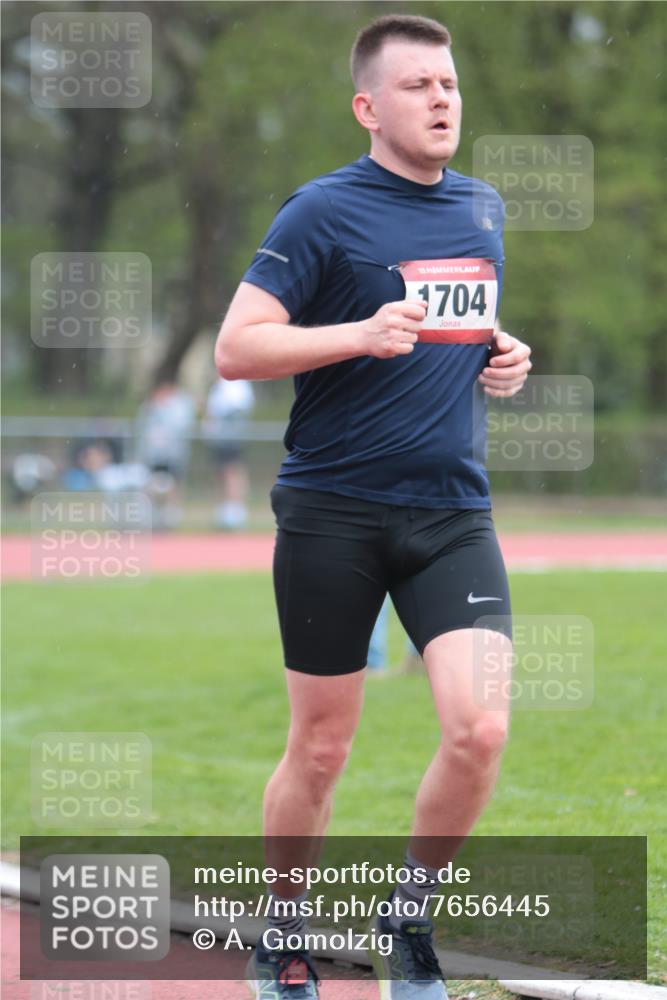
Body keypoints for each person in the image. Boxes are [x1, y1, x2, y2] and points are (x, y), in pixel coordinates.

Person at [215, 14, 531, 999]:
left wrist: (502, 355)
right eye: (417, 86)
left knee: (478, 729)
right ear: (367, 106)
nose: (441, 99)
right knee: (320, 746)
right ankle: (284, 931)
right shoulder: (319, 211)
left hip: (449, 516)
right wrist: (354, 332)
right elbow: (239, 346)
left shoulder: (481, 209)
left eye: (448, 83)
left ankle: (406, 923)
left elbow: (457, 322)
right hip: (332, 513)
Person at [135, 381, 194, 529]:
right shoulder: (149, 408)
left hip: (173, 455)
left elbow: (183, 427)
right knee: (150, 483)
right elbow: (143, 429)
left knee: (174, 484)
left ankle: (171, 515)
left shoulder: (179, 407)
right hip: (153, 455)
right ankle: (151, 514)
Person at [203, 376, 255, 529]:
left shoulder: (238, 384)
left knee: (233, 471)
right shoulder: (218, 386)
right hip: (218, 437)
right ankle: (224, 508)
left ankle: (236, 509)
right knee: (220, 472)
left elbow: (239, 408)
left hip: (231, 436)